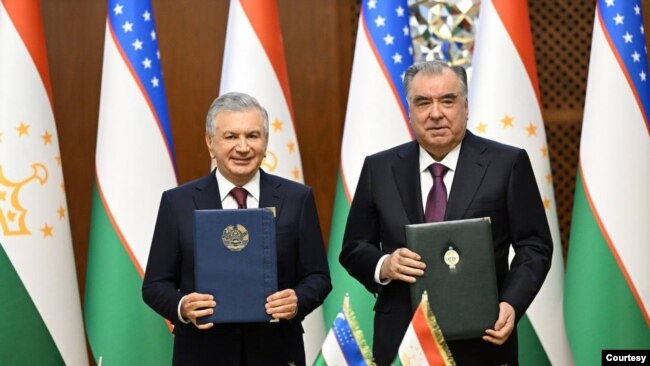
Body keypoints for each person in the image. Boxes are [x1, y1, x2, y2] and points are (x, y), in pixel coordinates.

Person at [339, 60, 552, 365]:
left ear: (466, 106)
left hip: (483, 338)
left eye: (447, 101)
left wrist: (511, 303)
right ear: (410, 110)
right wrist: (384, 265)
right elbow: (354, 247)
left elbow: (535, 246)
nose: (436, 113)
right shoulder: (379, 168)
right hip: (403, 339)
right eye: (423, 102)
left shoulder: (507, 163)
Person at [142, 92, 331, 366]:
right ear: (210, 143)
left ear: (265, 143)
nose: (243, 147)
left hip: (276, 352)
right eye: (230, 136)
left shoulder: (297, 198)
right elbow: (155, 285)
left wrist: (297, 300)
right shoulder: (178, 202)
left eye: (253, 136)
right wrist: (183, 307)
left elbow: (318, 277)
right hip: (202, 353)